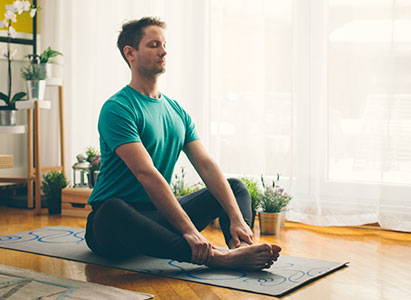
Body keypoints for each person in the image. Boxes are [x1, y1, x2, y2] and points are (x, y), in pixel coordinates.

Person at [85, 17, 281, 270]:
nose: (164, 51)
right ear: (130, 53)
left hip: (160, 216)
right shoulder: (118, 108)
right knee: (112, 210)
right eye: (154, 44)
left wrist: (236, 218)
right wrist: (189, 230)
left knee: (235, 187)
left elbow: (206, 165)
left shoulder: (175, 110)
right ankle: (215, 257)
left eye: (164, 44)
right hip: (115, 227)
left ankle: (240, 246)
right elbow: (146, 173)